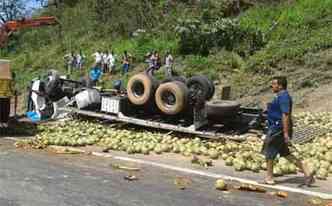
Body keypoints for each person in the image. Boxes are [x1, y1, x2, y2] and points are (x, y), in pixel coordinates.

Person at [261, 76, 315, 186]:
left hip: (278, 129)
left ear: (280, 86)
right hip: (276, 127)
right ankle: (307, 172)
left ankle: (269, 177)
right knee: (285, 153)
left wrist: (285, 133)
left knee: (269, 151)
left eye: (274, 84)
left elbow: (285, 115)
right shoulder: (279, 96)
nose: (272, 86)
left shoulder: (284, 97)